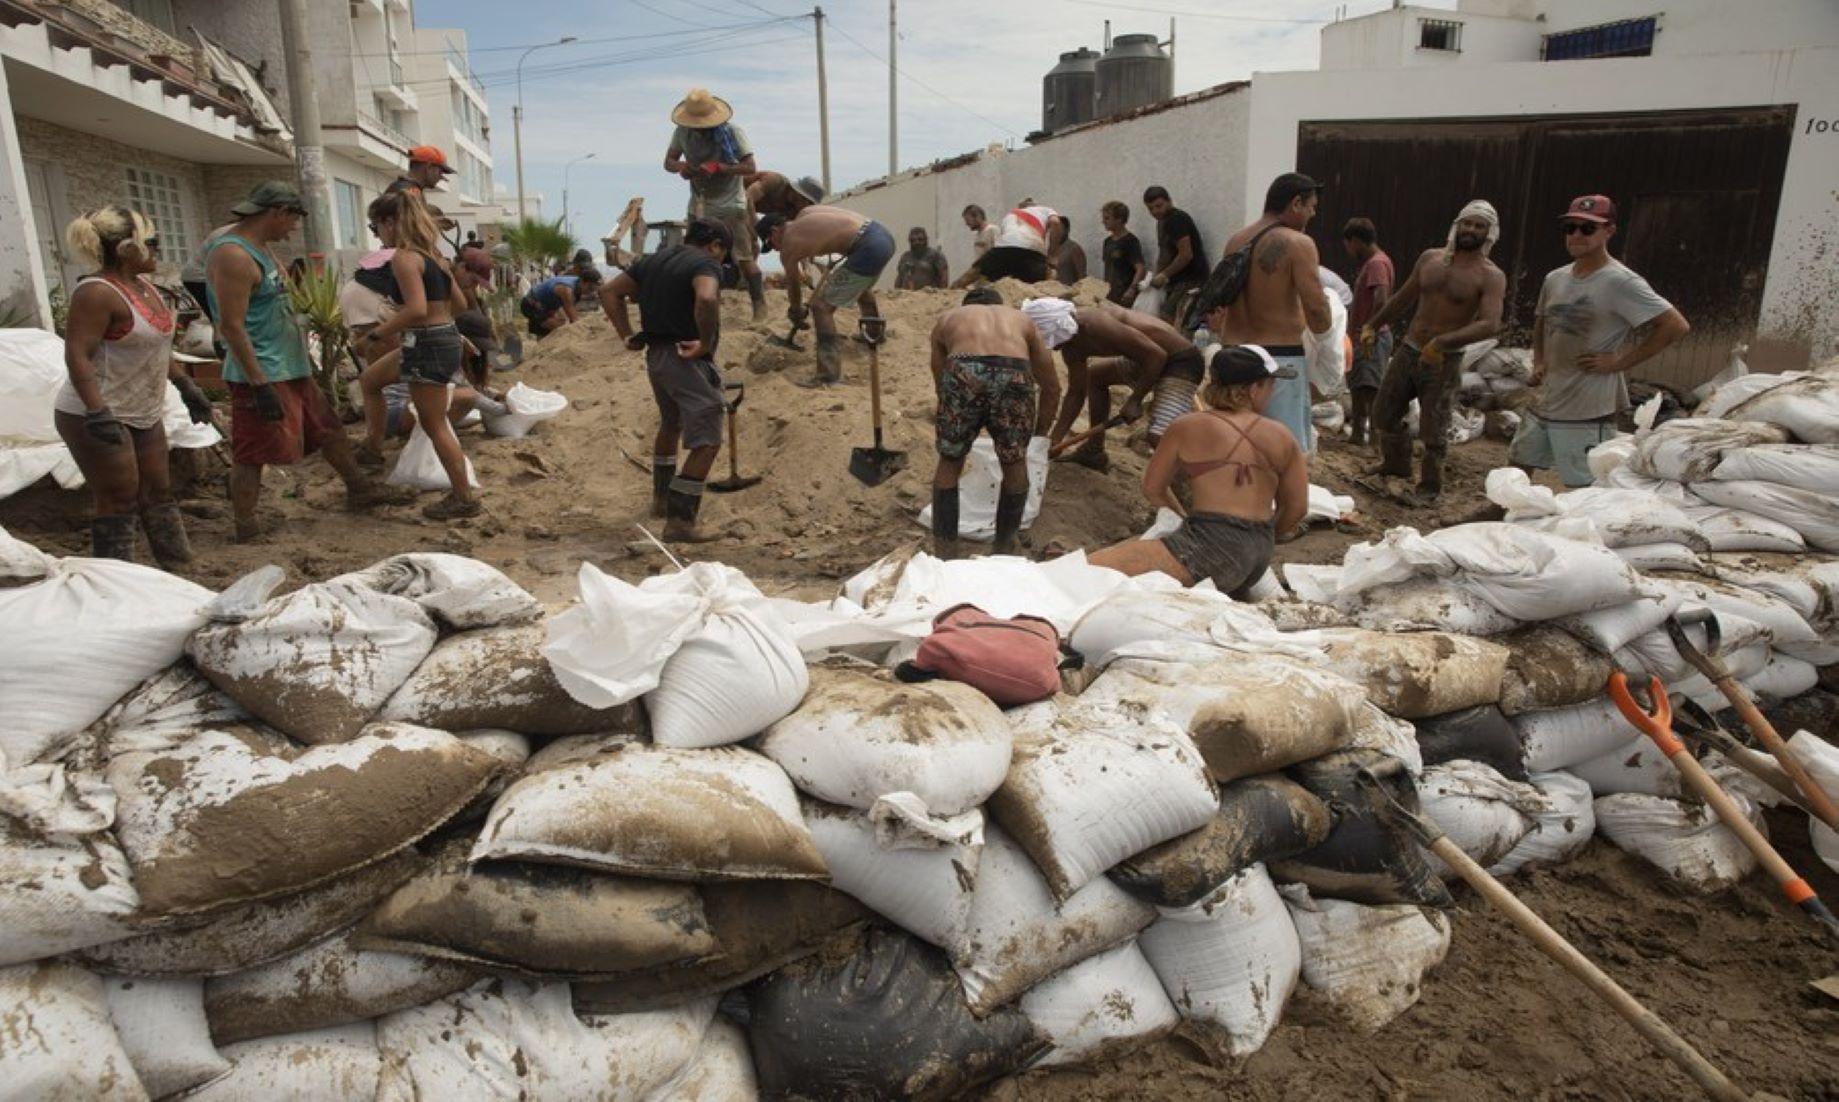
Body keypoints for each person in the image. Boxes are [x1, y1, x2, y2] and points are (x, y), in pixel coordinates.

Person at [205, 181, 409, 542]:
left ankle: (359, 489)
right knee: (253, 451)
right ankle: (246, 525)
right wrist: (259, 383)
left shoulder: (262, 250)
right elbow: (232, 327)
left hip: (290, 365)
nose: (294, 228)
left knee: (329, 429)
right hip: (263, 370)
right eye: (293, 220)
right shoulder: (233, 255)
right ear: (278, 212)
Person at [54, 205, 213, 564]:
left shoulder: (145, 288)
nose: (158, 250)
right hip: (95, 410)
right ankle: (115, 580)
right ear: (128, 248)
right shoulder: (96, 293)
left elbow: (156, 347)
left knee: (158, 491)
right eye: (152, 243)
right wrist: (97, 411)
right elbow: (77, 354)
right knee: (119, 496)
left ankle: (177, 568)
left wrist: (186, 387)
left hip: (142, 409)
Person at [1089, 345, 1307, 597]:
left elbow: (1153, 489)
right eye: (1270, 384)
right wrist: (1263, 535)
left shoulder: (1187, 426)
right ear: (1252, 389)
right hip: (1258, 552)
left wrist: (1181, 519)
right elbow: (1296, 509)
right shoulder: (1283, 436)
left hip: (1210, 546)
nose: (1272, 391)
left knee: (1089, 569)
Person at [1513, 194, 1690, 487]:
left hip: (1587, 402)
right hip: (1548, 393)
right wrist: (1541, 360)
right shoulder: (1554, 278)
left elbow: (1675, 326)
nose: (1576, 235)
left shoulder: (1621, 281)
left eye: (1587, 228)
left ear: (1609, 231)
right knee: (1519, 460)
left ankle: (1582, 531)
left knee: (1584, 481)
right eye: (1570, 228)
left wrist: (1620, 361)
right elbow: (1542, 320)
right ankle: (1500, 509)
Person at [1363, 200, 1508, 503]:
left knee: (1434, 427)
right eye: (1467, 223)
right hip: (1410, 348)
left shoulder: (1490, 275)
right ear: (1457, 225)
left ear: (1489, 233)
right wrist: (1373, 325)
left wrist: (1443, 343)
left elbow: (1491, 324)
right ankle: (1397, 464)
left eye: (1479, 225)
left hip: (1444, 359)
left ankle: (1429, 489)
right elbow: (1404, 296)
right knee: (1383, 412)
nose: (1471, 229)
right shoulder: (1430, 259)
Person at [352, 190, 481, 520]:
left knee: (434, 423)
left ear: (389, 222)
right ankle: (372, 448)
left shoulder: (404, 258)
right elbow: (461, 305)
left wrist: (375, 335)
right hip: (436, 338)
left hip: (424, 342)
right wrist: (444, 328)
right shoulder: (434, 257)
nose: (376, 233)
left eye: (375, 226)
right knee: (370, 380)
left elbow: (416, 309)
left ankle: (463, 498)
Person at [600, 217, 731, 542]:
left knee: (671, 425)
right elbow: (707, 298)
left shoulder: (652, 261)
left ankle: (661, 500)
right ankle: (680, 521)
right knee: (708, 437)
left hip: (656, 356)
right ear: (715, 246)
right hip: (685, 357)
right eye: (722, 254)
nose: (720, 261)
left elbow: (608, 291)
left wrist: (627, 335)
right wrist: (703, 342)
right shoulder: (704, 263)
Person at [1206, 172, 1333, 456]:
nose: (1312, 214)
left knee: (1236, 446)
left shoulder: (1236, 240)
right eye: (1311, 207)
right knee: (1280, 451)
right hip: (1276, 358)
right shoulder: (1298, 243)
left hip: (1232, 355)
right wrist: (1327, 339)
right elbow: (1316, 308)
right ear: (1296, 204)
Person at [928, 287, 1061, 557]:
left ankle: (945, 550)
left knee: (950, 461)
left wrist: (953, 422)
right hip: (1014, 370)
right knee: (1014, 463)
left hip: (962, 367)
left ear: (966, 305)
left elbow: (941, 380)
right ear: (1001, 305)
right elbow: (1052, 386)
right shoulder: (1022, 320)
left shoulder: (949, 318)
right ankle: (1003, 547)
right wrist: (1039, 434)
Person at [1029, 298, 1204, 470]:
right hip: (1144, 358)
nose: (1053, 348)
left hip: (1180, 362)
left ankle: (1201, 477)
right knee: (1095, 376)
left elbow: (1157, 356)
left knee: (1158, 437)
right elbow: (1076, 392)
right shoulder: (1071, 346)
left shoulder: (1097, 325)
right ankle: (1094, 449)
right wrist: (1057, 439)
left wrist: (1135, 400)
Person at [757, 205, 894, 387]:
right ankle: (874, 333)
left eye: (770, 243)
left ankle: (828, 376)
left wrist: (796, 311)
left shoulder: (789, 243)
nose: (774, 249)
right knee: (859, 284)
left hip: (866, 247)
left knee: (821, 307)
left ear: (775, 231)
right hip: (882, 236)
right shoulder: (805, 215)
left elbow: (793, 285)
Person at [664, 88, 767, 323]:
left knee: (744, 257)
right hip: (699, 203)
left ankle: (759, 306)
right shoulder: (682, 133)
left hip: (731, 203)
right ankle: (698, 309)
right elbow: (668, 162)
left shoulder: (732, 133)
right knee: (694, 257)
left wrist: (720, 167)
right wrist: (683, 168)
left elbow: (750, 167)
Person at [1341, 217, 1394, 447]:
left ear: (1355, 241)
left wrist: (1369, 328)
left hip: (1372, 337)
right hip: (1365, 336)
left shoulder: (1376, 264)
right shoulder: (1377, 262)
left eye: (1348, 245)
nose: (1349, 251)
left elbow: (1381, 298)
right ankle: (1357, 435)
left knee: (1371, 389)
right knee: (1359, 386)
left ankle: (1374, 441)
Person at [1143, 186, 1210, 328]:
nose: (1155, 211)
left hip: (1192, 278)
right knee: (1167, 317)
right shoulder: (1162, 222)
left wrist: (1164, 275)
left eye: (1159, 206)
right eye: (1151, 209)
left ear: (1169, 201)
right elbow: (1163, 251)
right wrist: (1157, 275)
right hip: (1176, 279)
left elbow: (1186, 255)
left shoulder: (1177, 219)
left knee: (1171, 318)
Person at [953, 205, 1061, 287]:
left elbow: (1006, 247)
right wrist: (1053, 256)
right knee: (1042, 281)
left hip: (1005, 246)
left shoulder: (1010, 216)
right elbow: (1055, 223)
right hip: (1032, 248)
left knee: (973, 273)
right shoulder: (1045, 210)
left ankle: (952, 290)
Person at [520, 263, 600, 337]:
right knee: (558, 328)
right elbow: (574, 320)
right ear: (582, 282)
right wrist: (588, 333)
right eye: (590, 288)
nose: (591, 291)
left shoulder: (577, 283)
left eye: (593, 289)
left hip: (544, 305)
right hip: (530, 303)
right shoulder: (567, 290)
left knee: (558, 324)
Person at [1100, 200, 1145, 307]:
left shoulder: (1130, 241)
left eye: (1107, 218)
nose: (1103, 221)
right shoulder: (1107, 242)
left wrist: (1132, 289)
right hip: (1109, 295)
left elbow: (1140, 268)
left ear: (1119, 219)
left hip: (1124, 295)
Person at [387, 145, 456, 200]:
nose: (441, 177)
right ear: (428, 167)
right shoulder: (409, 193)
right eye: (440, 172)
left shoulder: (402, 188)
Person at [1049, 216, 1087, 285]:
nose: (1056, 232)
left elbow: (1082, 277)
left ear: (1067, 230)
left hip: (1070, 292)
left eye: (1059, 229)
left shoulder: (1074, 249)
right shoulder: (1049, 249)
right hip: (1052, 293)